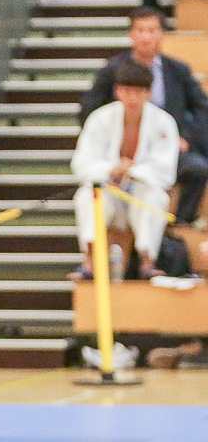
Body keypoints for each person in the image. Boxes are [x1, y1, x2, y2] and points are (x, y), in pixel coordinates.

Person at [80, 7, 208, 224]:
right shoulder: (112, 69)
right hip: (119, 154)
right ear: (131, 33)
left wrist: (186, 138)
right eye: (140, 30)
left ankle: (177, 224)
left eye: (152, 30)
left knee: (197, 168)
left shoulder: (177, 69)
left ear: (162, 34)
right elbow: (89, 110)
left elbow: (202, 107)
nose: (146, 37)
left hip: (166, 148)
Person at [71, 62, 179, 280]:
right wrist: (112, 169)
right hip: (109, 190)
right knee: (87, 196)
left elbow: (165, 169)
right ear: (117, 91)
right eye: (127, 91)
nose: (132, 97)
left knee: (155, 196)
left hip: (140, 192)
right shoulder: (100, 119)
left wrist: (132, 171)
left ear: (148, 93)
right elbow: (82, 163)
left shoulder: (164, 122)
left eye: (138, 92)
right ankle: (89, 262)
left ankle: (147, 262)